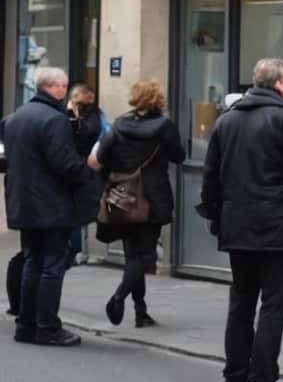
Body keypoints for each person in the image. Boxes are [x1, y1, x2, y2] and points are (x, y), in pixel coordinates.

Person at [201, 58, 283, 382]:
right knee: (272, 303)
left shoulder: (227, 120)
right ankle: (262, 380)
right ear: (280, 84)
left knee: (241, 301)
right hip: (275, 223)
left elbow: (210, 175)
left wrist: (216, 215)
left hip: (237, 223)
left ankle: (234, 380)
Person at [91, 79, 185, 329]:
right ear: (158, 99)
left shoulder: (119, 124)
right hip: (152, 197)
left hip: (123, 196)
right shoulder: (164, 126)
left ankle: (140, 312)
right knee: (145, 255)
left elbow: (101, 157)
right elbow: (179, 155)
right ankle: (119, 298)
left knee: (133, 255)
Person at [6, 67, 89, 346]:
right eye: (62, 86)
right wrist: (86, 170)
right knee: (52, 265)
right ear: (56, 88)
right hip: (52, 205)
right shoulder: (55, 120)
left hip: (24, 203)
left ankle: (26, 324)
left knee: (33, 261)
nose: (63, 91)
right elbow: (64, 164)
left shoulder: (16, 117)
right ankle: (48, 326)